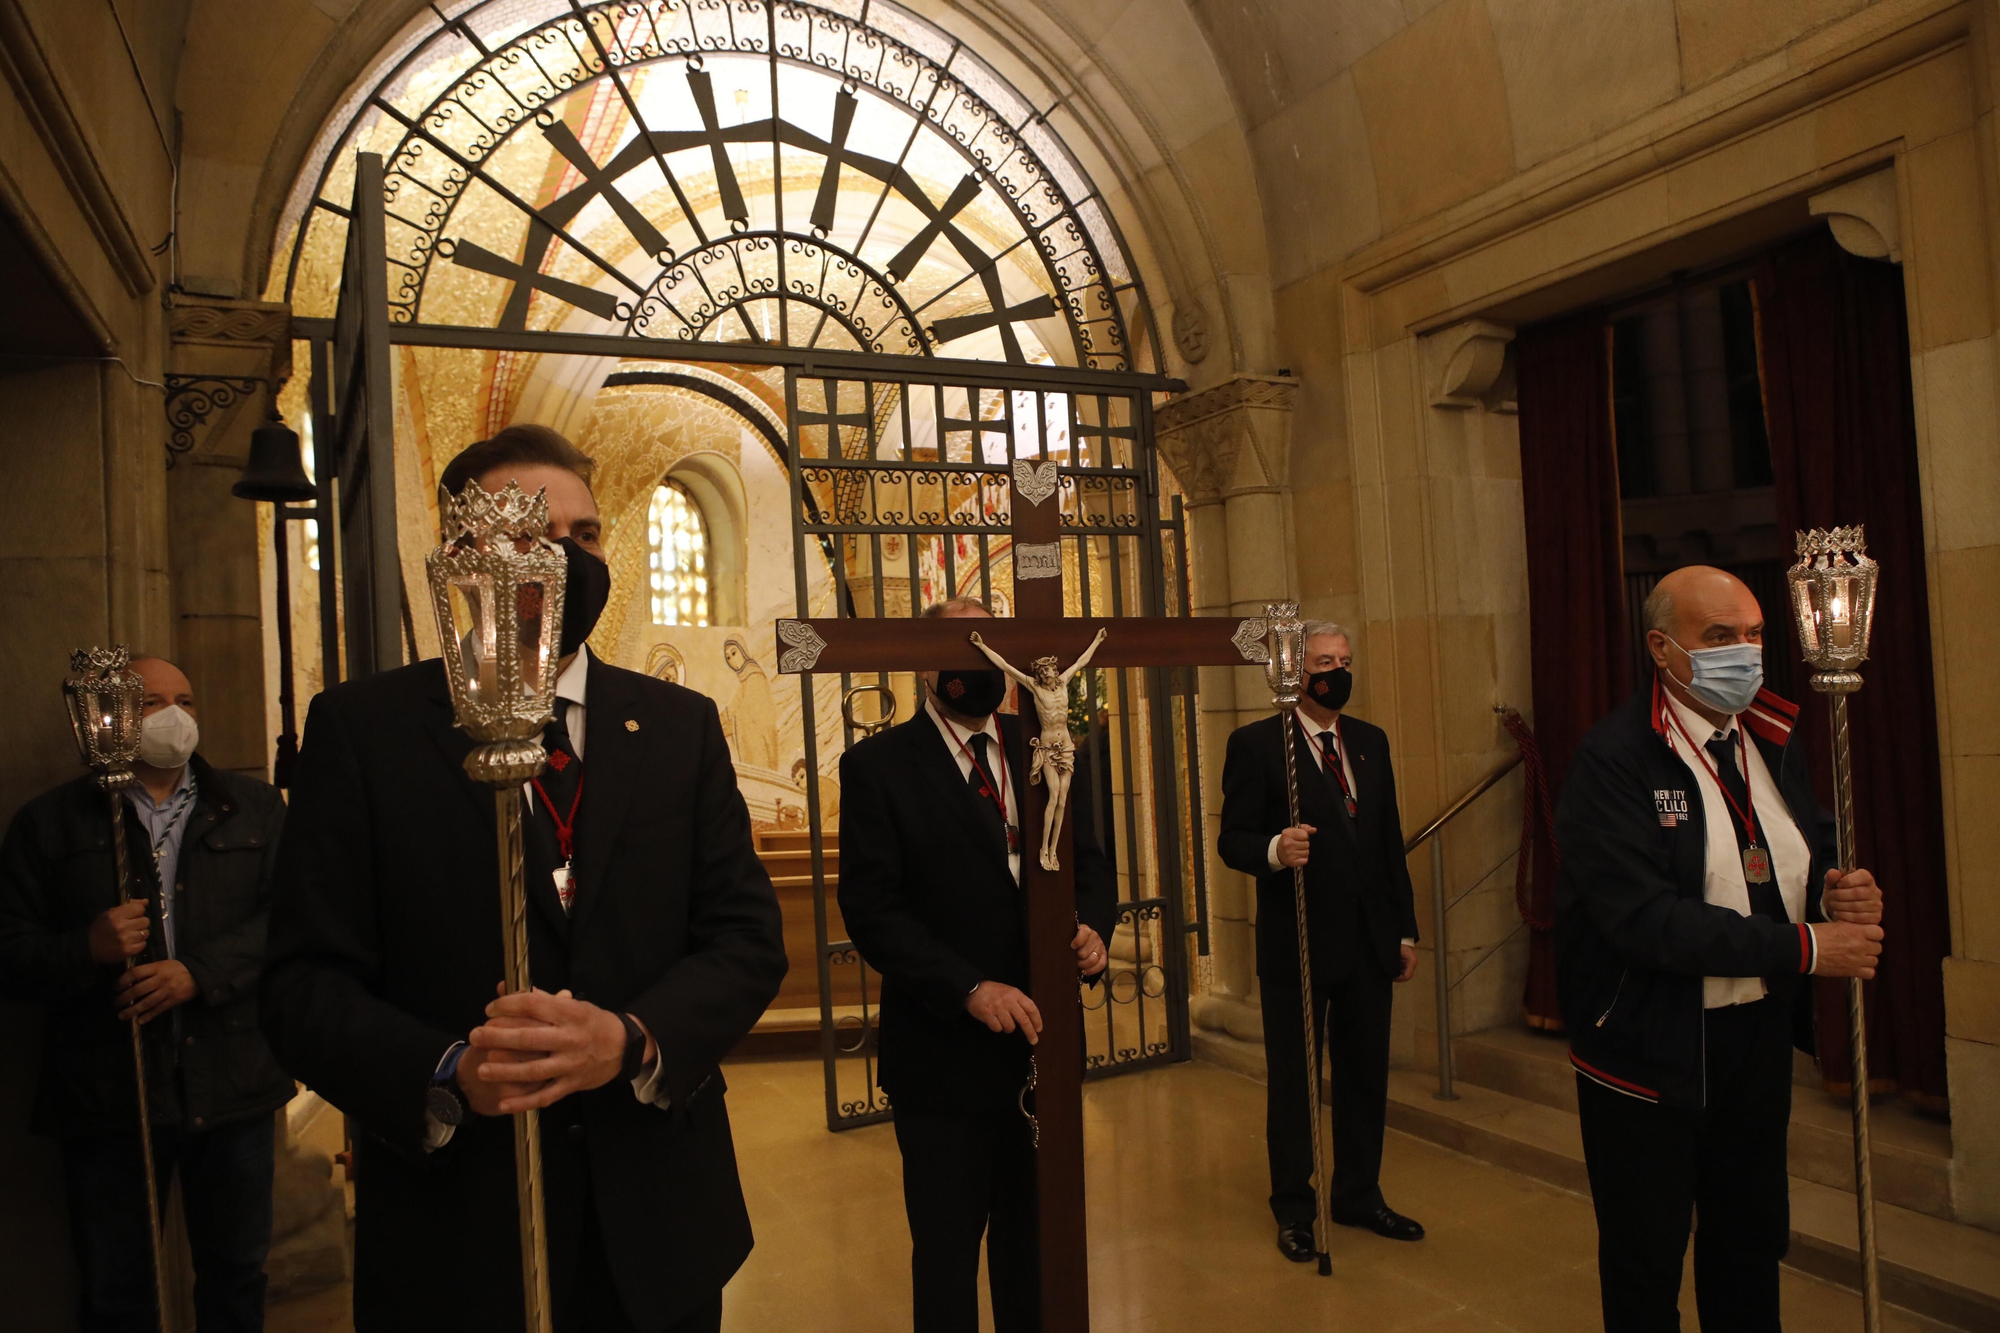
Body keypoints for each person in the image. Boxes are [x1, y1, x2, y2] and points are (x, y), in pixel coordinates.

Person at [260, 423, 787, 1333]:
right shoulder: (363, 731)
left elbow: (745, 938)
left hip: (657, 1220)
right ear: (464, 553)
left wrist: (629, 1037)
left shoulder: (677, 725)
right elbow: (302, 985)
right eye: (535, 534)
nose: (569, 558)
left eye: (584, 537)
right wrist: (448, 1070)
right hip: (457, 1226)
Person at [1556, 565, 1885, 1330]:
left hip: (1754, 1039)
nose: (1744, 651)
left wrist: (1836, 890)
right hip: (1647, 1044)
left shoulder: (1768, 738)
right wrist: (1804, 945)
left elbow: (1789, 851)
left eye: (1755, 634)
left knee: (1748, 1243)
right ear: (1662, 649)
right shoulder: (1613, 759)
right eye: (1719, 637)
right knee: (1648, 1260)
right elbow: (1647, 920)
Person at [837, 597, 1119, 1333]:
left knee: (1035, 1246)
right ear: (926, 662)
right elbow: (873, 909)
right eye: (962, 644)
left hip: (1042, 1053)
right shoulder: (878, 768)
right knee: (947, 1255)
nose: (980, 660)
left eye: (991, 645)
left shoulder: (1047, 742)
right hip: (942, 1057)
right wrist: (966, 986)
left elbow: (1088, 863)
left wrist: (1092, 926)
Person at [0, 654, 294, 1332]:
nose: (173, 716)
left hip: (232, 1083)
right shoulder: (52, 824)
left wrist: (200, 970)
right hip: (109, 1092)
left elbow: (293, 917)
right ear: (110, 717)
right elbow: (9, 954)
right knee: (118, 1288)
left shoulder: (252, 807)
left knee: (237, 1276)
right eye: (152, 701)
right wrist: (87, 945)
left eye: (185, 700)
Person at [1218, 621, 1425, 1261]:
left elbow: (1388, 841)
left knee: (1364, 1074)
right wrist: (1278, 848)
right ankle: (1295, 1207)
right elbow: (1233, 841)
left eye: (1344, 660)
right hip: (1299, 942)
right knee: (1297, 1081)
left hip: (1368, 941)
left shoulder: (1369, 741)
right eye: (1322, 660)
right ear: (1295, 670)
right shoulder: (1258, 745)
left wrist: (1406, 929)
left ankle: (1360, 1193)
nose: (1335, 670)